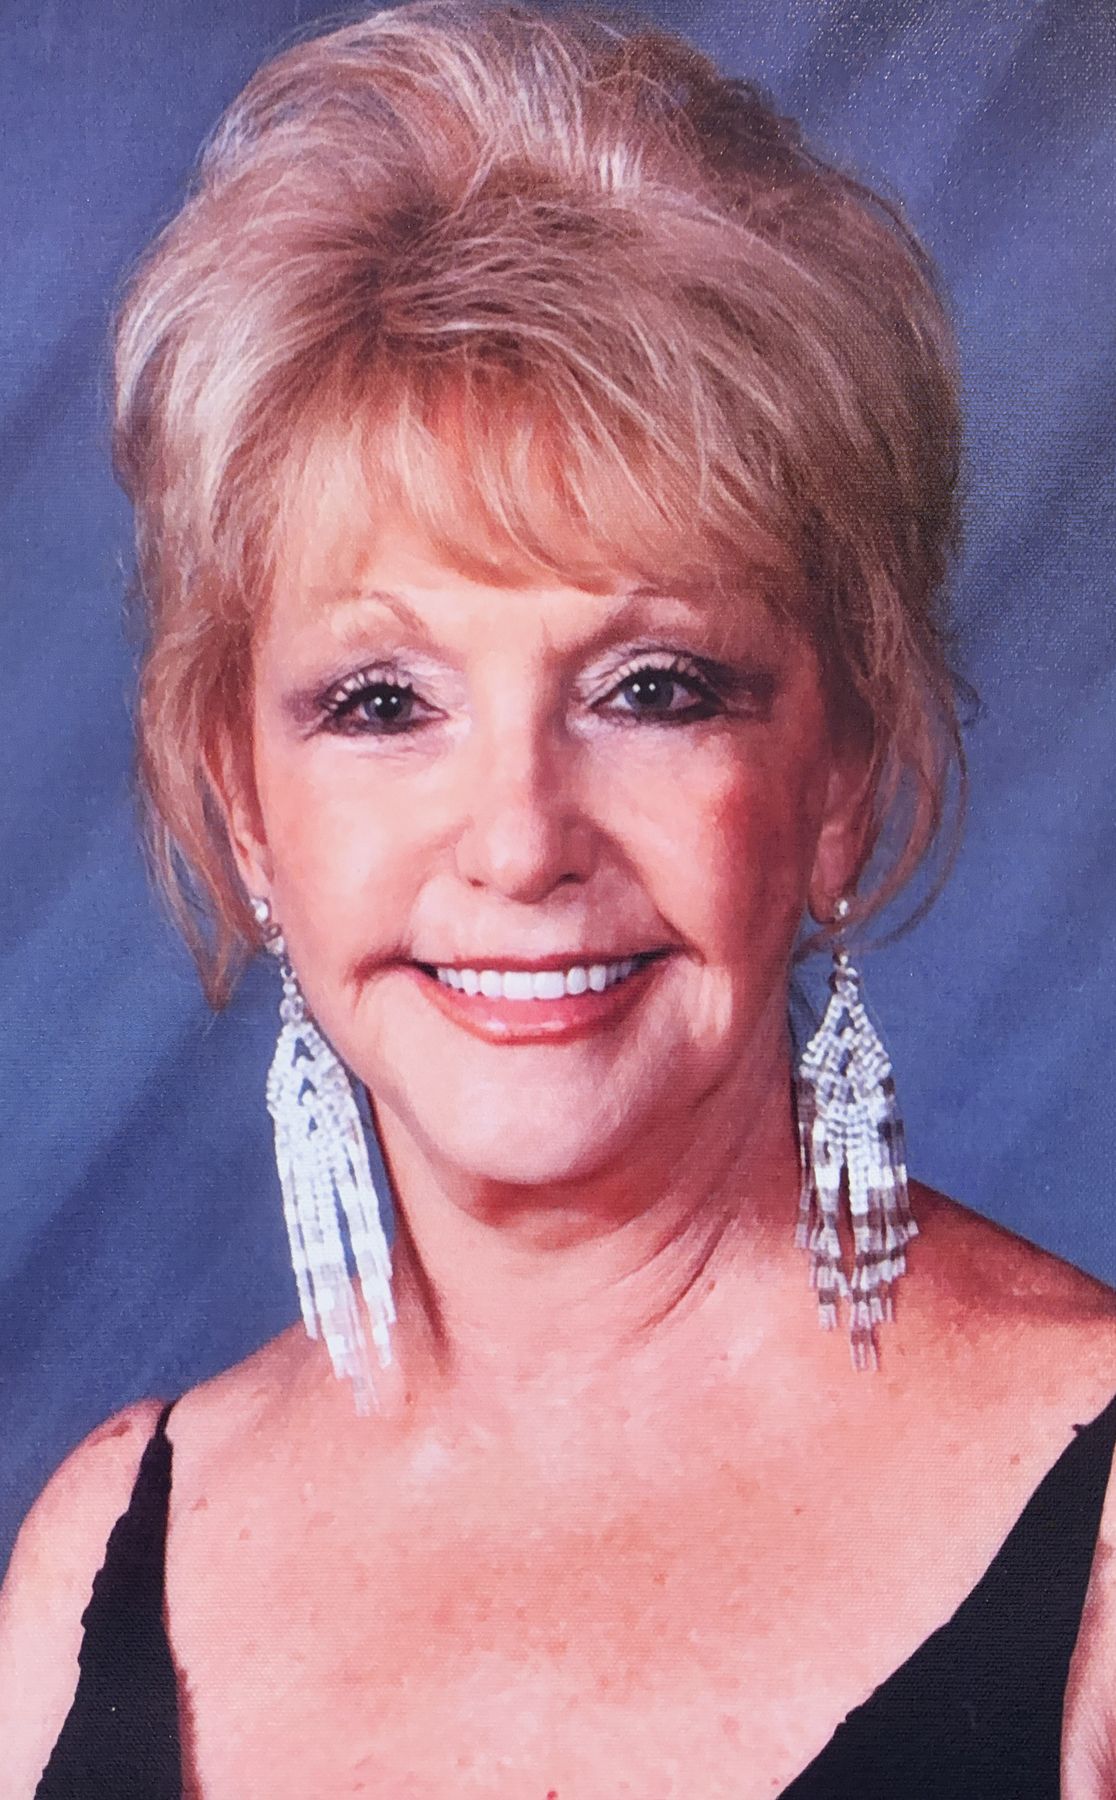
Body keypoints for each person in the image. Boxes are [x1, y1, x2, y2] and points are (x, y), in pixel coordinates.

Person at [2, 2, 1115, 1793]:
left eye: (653, 689)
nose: (519, 843)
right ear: (249, 810)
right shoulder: (91, 1563)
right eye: (384, 704)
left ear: (839, 777)